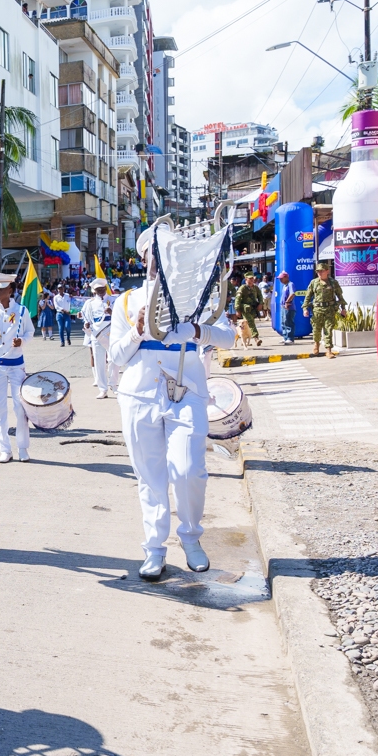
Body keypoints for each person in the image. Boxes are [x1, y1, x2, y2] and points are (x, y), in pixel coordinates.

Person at [108, 225, 236, 581]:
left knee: (188, 469)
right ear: (146, 256)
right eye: (155, 253)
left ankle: (192, 538)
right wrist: (136, 331)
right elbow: (116, 356)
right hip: (139, 395)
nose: (159, 260)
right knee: (149, 477)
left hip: (186, 390)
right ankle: (154, 548)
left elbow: (227, 336)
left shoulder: (195, 296)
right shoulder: (126, 300)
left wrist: (198, 331)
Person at [0, 273, 33, 463]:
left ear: (10, 290)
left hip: (16, 366)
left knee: (20, 407)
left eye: (0, 289)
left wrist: (22, 340)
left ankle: (22, 448)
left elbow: (30, 331)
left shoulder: (21, 311)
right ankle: (4, 448)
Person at [82, 278, 116, 398]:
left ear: (106, 288)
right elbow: (86, 317)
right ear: (94, 291)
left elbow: (122, 316)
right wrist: (86, 323)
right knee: (99, 362)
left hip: (112, 333)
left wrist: (112, 312)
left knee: (113, 360)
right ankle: (103, 389)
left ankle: (114, 384)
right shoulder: (90, 303)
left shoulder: (113, 300)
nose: (100, 292)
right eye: (98, 290)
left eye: (102, 289)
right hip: (97, 334)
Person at [303, 261, 345, 358]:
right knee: (316, 329)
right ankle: (316, 345)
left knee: (328, 329)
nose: (320, 273)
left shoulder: (333, 283)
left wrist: (343, 308)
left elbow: (340, 296)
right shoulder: (314, 283)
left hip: (329, 309)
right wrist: (305, 308)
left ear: (327, 271)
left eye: (322, 271)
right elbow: (308, 296)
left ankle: (328, 350)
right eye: (318, 271)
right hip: (317, 310)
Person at [235, 274, 263, 348]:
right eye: (249, 279)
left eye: (252, 279)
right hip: (245, 309)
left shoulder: (255, 288)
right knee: (250, 322)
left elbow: (260, 296)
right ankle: (256, 338)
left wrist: (260, 303)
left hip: (253, 309)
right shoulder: (243, 288)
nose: (251, 280)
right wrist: (237, 309)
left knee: (249, 324)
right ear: (246, 279)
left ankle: (244, 339)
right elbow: (237, 299)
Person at [276, 271, 296, 344]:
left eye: (282, 278)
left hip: (289, 307)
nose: (280, 280)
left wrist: (287, 302)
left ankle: (290, 338)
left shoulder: (290, 284)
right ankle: (285, 337)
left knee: (288, 322)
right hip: (283, 307)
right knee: (283, 322)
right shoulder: (285, 285)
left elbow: (292, 294)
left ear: (286, 277)